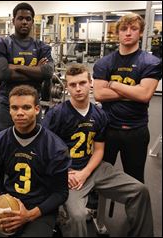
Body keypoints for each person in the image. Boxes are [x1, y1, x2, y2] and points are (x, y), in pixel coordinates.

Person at [43, 63, 154, 237]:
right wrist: (64, 173)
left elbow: (99, 150)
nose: (78, 89)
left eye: (82, 83)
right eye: (73, 85)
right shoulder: (56, 115)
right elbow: (44, 152)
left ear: (91, 83)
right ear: (66, 87)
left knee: (140, 190)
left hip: (93, 168)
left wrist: (85, 172)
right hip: (69, 174)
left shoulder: (100, 115)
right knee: (78, 215)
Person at [0, 85, 71, 237]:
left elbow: (61, 193)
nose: (20, 113)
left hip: (41, 207)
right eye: (15, 108)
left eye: (26, 107)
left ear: (37, 109)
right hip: (10, 201)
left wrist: (29, 215)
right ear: (9, 110)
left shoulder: (55, 148)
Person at [93, 13, 162, 183]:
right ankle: (95, 209)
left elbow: (145, 95)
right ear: (118, 33)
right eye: (124, 29)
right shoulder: (104, 63)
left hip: (136, 130)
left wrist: (114, 85)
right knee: (99, 177)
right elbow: (99, 94)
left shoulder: (151, 62)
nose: (128, 33)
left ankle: (136, 210)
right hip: (107, 128)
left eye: (133, 29)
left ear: (140, 32)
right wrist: (134, 90)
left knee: (135, 180)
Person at [0, 2, 54, 131]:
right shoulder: (1, 44)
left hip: (32, 106)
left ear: (32, 22)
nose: (24, 22)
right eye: (20, 18)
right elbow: (3, 74)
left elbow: (47, 72)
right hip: (7, 106)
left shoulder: (42, 47)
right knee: (2, 146)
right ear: (13, 21)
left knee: (35, 147)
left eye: (28, 19)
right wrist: (36, 71)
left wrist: (16, 67)